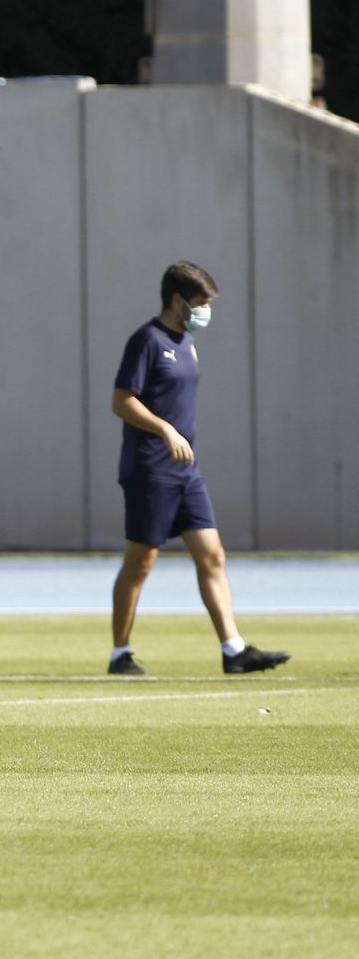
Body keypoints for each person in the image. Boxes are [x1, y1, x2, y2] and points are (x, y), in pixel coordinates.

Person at [108, 261, 290, 676]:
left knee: (212, 554)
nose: (205, 311)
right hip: (150, 469)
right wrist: (164, 430)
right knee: (140, 563)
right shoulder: (147, 340)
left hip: (185, 470)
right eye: (201, 303)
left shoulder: (187, 341)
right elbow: (121, 400)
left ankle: (233, 650)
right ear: (178, 300)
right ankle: (121, 654)